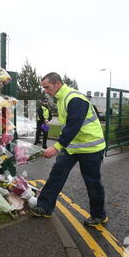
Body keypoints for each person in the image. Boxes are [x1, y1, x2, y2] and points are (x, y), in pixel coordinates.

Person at [30, 72, 108, 226]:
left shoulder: (74, 98)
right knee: (56, 174)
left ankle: (99, 215)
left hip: (91, 148)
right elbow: (68, 127)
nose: (45, 90)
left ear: (57, 84)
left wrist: (57, 147)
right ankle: (44, 207)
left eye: (47, 87)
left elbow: (73, 126)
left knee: (92, 182)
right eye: (44, 87)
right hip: (72, 147)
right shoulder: (61, 98)